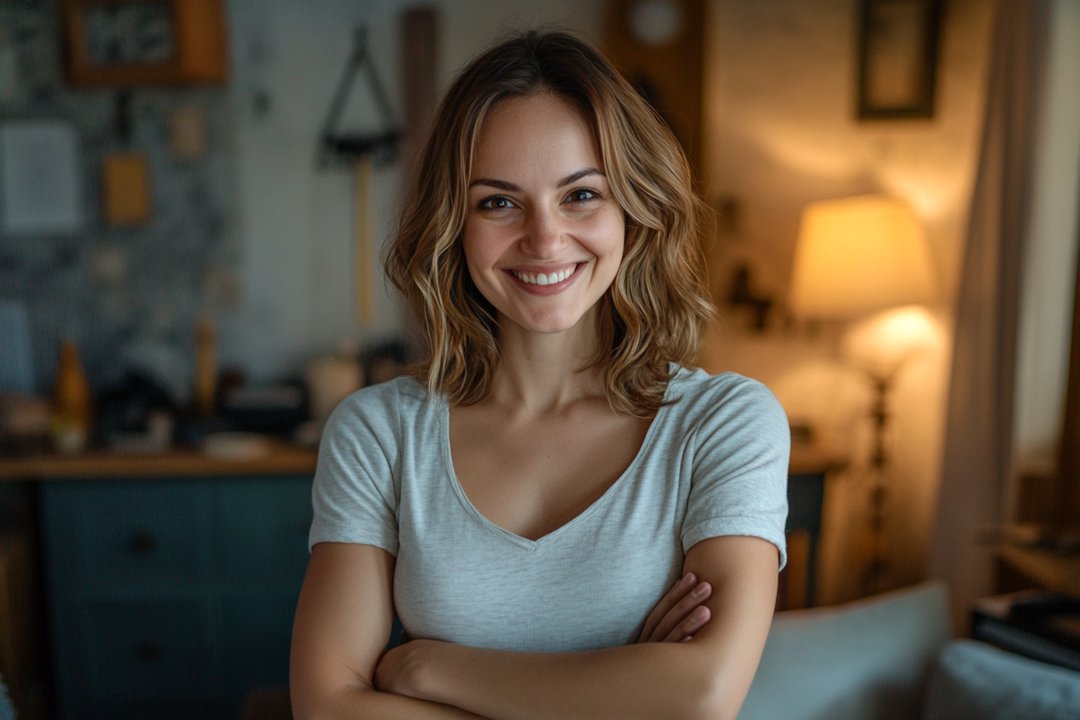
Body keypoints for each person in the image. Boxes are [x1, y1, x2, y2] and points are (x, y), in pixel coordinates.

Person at [290, 30, 789, 720]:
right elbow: (327, 709)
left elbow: (700, 697)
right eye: (498, 202)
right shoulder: (379, 433)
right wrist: (620, 688)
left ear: (633, 210)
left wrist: (430, 667)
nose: (545, 238)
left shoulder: (723, 423)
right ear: (452, 223)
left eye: (580, 195)